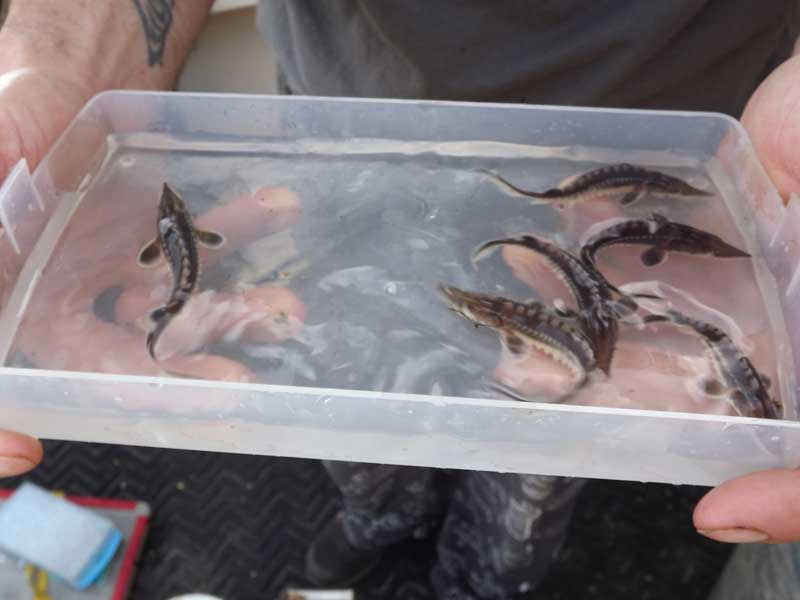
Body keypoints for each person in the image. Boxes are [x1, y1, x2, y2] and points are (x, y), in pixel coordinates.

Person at [1, 1, 799, 598]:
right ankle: (382, 518)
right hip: (339, 140)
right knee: (340, 368)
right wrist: (62, 74)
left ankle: (484, 574)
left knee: (540, 441)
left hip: (643, 155)